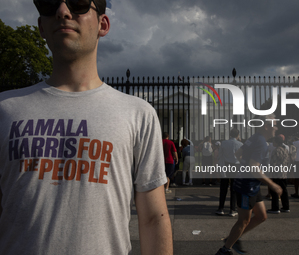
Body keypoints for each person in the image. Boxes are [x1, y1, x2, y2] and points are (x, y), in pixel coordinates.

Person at [0, 1, 173, 254]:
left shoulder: (138, 114)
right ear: (41, 27)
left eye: (78, 3)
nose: (63, 11)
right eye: (49, 5)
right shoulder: (6, 109)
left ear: (103, 24)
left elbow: (152, 218)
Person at [215, 114, 282, 255]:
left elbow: (239, 154)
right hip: (247, 186)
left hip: (252, 185)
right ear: (266, 126)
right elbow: (254, 167)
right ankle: (225, 250)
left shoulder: (254, 137)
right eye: (274, 125)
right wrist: (272, 185)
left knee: (262, 216)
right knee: (243, 220)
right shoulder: (262, 143)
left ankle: (233, 238)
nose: (276, 128)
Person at [216, 128, 242, 217]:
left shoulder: (224, 143)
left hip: (226, 165)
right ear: (237, 135)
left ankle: (221, 208)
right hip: (236, 166)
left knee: (223, 187)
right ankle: (232, 209)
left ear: (230, 134)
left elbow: (219, 156)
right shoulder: (240, 144)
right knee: (234, 189)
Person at [267, 135, 290, 214]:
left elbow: (273, 163)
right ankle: (286, 206)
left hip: (276, 173)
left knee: (274, 191)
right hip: (283, 172)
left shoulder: (275, 151)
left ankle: (275, 207)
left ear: (276, 142)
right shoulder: (285, 150)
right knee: (284, 190)